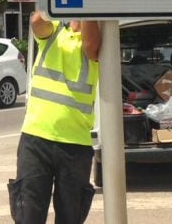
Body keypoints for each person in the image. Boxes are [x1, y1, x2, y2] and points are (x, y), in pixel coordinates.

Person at [8, 11, 102, 224]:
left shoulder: (95, 40)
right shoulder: (54, 34)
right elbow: (36, 22)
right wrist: (53, 1)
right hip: (36, 138)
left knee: (70, 217)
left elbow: (90, 47)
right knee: (28, 214)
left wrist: (87, 6)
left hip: (75, 144)